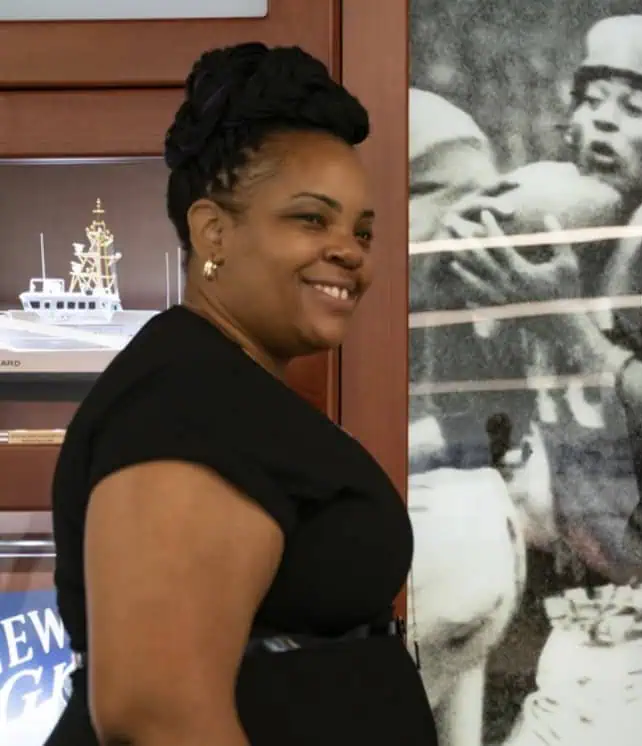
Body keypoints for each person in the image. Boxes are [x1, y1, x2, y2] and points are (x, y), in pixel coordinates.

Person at [43, 43, 436, 745]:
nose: (350, 250)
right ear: (213, 231)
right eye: (312, 219)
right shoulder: (185, 399)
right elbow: (158, 713)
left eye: (361, 230)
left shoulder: (226, 391)